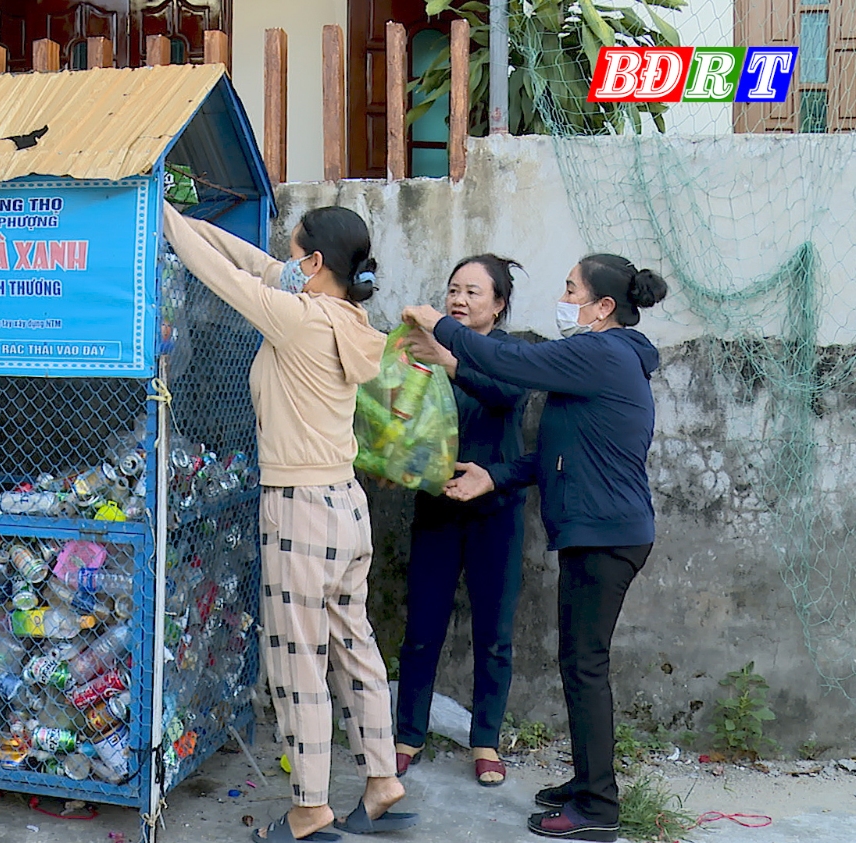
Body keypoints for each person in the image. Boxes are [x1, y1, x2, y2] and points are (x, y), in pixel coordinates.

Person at [161, 202, 419, 842]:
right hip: (346, 507)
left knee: (296, 661)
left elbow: (220, 275)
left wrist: (155, 217)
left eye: (295, 251)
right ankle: (382, 781)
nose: (285, 259)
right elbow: (254, 264)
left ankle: (310, 807)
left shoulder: (298, 318)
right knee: (355, 649)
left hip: (301, 509)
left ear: (315, 262)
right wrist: (176, 212)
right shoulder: (346, 317)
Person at [400, 254, 669, 842]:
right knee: (580, 667)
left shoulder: (602, 352)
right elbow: (552, 448)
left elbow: (512, 360)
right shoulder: (604, 359)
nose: (564, 297)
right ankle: (585, 784)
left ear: (602, 307)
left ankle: (597, 807)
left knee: (585, 668)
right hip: (599, 531)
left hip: (606, 534)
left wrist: (439, 326)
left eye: (572, 289)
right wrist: (494, 477)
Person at [390, 255, 529, 788]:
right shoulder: (420, 356)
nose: (460, 300)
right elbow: (398, 415)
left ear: (498, 305)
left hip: (498, 511)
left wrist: (449, 361)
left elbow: (507, 394)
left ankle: (486, 741)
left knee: (495, 635)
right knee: (422, 629)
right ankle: (408, 735)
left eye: (473, 292)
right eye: (453, 290)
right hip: (437, 506)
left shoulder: (515, 353)